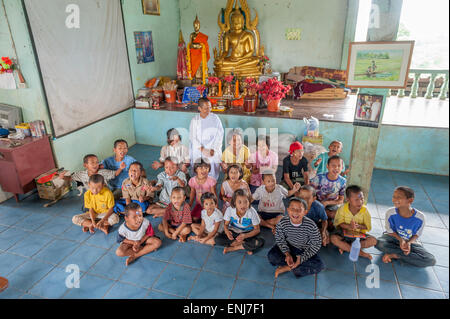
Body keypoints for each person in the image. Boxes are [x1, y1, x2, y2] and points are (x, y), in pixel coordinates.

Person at [376, 186, 436, 267]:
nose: (394, 199)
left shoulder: (420, 217)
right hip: (392, 238)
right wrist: (401, 240)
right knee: (379, 243)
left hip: (410, 241)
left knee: (431, 260)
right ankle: (405, 255)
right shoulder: (390, 212)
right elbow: (389, 231)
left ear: (410, 200)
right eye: (394, 197)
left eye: (399, 197)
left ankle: (395, 255)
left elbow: (417, 234)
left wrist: (409, 243)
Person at [267, 197, 325, 278]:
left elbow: (316, 244)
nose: (295, 212)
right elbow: (280, 238)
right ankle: (294, 265)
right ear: (288, 210)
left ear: (305, 212)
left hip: (303, 250)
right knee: (271, 256)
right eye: (292, 209)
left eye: (299, 209)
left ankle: (288, 267)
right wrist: (287, 253)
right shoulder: (283, 222)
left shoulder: (311, 225)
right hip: (289, 247)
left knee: (319, 266)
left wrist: (301, 258)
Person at [330, 185, 377, 260]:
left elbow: (367, 227)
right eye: (356, 200)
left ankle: (346, 247)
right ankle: (360, 253)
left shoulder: (365, 211)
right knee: (333, 238)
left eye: (362, 199)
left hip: (358, 236)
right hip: (344, 234)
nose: (360, 202)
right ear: (348, 200)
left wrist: (358, 226)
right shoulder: (342, 209)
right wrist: (349, 227)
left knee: (373, 241)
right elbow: (339, 224)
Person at [216, 189, 265, 255]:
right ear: (234, 203)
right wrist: (227, 232)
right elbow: (226, 224)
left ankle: (234, 248)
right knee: (217, 239)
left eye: (246, 202)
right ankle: (245, 245)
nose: (243, 205)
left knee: (260, 241)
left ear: (249, 202)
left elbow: (257, 230)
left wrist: (245, 235)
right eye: (239, 202)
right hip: (234, 232)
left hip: (248, 233)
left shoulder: (252, 212)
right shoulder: (230, 210)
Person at [189, 98, 224, 181]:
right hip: (198, 149)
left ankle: (211, 183)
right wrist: (202, 149)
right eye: (206, 108)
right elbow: (192, 137)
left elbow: (220, 135)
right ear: (199, 108)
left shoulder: (215, 118)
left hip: (212, 148)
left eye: (210, 107)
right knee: (198, 166)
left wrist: (213, 149)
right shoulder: (195, 120)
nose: (209, 110)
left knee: (211, 166)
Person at [309, 155, 346, 227]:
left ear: (342, 168)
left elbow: (341, 200)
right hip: (317, 202)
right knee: (310, 213)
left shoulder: (343, 181)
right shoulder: (319, 177)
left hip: (332, 205)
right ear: (327, 166)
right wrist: (318, 203)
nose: (336, 168)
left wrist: (327, 202)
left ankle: (325, 218)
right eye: (333, 165)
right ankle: (324, 218)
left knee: (339, 215)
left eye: (339, 166)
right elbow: (310, 193)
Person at [188, 158, 217, 222]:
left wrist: (216, 208)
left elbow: (214, 194)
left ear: (209, 169)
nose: (204, 170)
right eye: (201, 168)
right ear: (196, 169)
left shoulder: (211, 181)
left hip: (209, 205)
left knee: (210, 220)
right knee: (193, 219)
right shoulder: (192, 180)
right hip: (199, 204)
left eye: (206, 168)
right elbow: (192, 193)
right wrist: (189, 204)